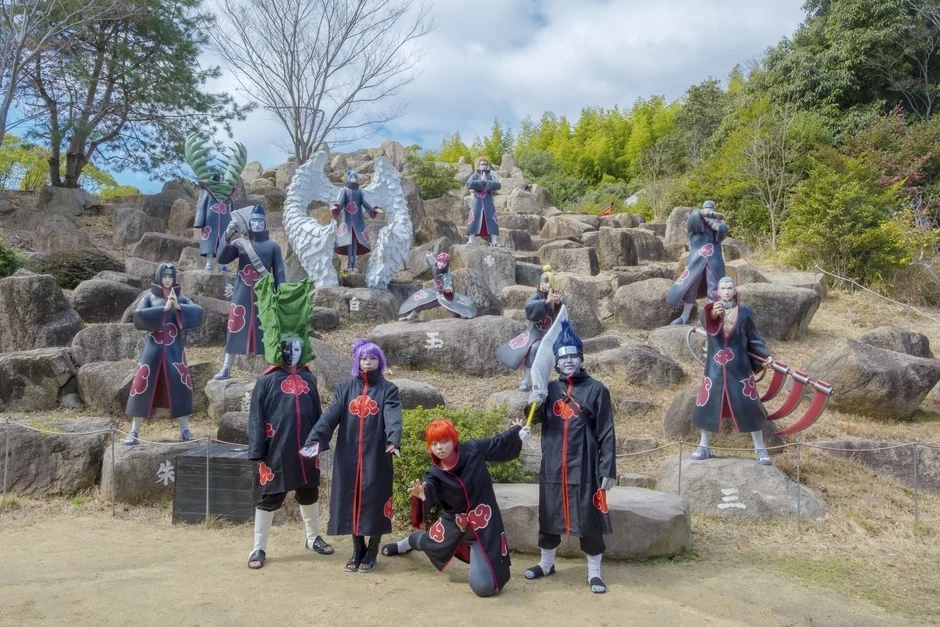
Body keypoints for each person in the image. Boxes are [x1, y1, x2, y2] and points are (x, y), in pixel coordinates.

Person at [520, 320, 616, 594]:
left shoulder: (597, 390)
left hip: (584, 465)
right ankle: (546, 564)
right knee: (549, 514)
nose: (569, 362)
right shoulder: (549, 390)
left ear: (581, 359)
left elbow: (607, 432)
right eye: (564, 358)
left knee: (589, 517)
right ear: (556, 363)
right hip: (553, 464)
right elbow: (534, 418)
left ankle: (594, 573)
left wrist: (607, 469)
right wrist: (533, 398)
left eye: (574, 356)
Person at [381, 418, 524, 597]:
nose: (439, 447)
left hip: (483, 526)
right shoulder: (433, 474)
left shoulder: (473, 449)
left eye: (444, 441)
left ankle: (479, 557)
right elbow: (428, 487)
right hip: (452, 526)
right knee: (426, 542)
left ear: (454, 440)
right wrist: (421, 496)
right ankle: (408, 542)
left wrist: (515, 431)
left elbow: (499, 442)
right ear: (429, 447)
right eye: (434, 443)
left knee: (484, 588)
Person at [301, 340, 402, 573]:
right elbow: (329, 417)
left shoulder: (389, 389)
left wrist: (393, 439)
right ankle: (357, 549)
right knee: (351, 500)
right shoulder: (345, 389)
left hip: (376, 456)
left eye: (373, 358)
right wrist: (314, 441)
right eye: (364, 358)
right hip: (348, 456)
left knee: (375, 501)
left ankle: (373, 550)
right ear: (358, 361)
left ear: (380, 361)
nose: (368, 362)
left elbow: (392, 415)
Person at [246, 330, 332, 569]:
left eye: (295, 349)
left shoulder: (309, 378)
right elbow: (256, 417)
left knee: (309, 492)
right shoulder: (266, 381)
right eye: (286, 348)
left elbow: (317, 413)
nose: (290, 354)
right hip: (275, 449)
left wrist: (319, 441)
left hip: (306, 447)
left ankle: (313, 537)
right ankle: (258, 547)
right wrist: (257, 449)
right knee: (270, 497)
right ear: (277, 350)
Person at [690, 276, 776, 465]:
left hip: (740, 366)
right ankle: (703, 446)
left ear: (735, 290)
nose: (727, 291)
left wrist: (766, 355)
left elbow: (753, 337)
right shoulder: (710, 309)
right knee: (708, 405)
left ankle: (760, 449)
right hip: (715, 368)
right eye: (723, 288)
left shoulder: (744, 311)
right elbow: (707, 321)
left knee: (751, 406)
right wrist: (714, 314)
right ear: (718, 291)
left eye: (730, 288)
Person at [124, 263, 204, 445]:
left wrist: (179, 307)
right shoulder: (149, 297)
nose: (168, 280)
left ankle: (185, 430)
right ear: (159, 277)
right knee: (141, 386)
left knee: (180, 385)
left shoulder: (180, 297)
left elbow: (198, 312)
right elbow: (138, 316)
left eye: (170, 277)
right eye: (165, 277)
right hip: (152, 349)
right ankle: (134, 431)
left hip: (174, 350)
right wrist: (164, 310)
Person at [214, 205, 285, 380]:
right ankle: (226, 367)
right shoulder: (240, 243)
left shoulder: (273, 246)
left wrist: (280, 293)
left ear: (265, 223)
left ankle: (272, 366)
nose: (257, 224)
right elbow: (222, 257)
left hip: (265, 293)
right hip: (242, 291)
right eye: (254, 221)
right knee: (235, 326)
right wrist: (229, 233)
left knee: (267, 328)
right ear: (249, 222)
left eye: (260, 221)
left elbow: (279, 272)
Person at [496, 265, 564, 391]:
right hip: (536, 334)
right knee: (534, 348)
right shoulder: (536, 297)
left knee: (562, 350)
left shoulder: (556, 297)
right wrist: (545, 302)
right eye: (544, 282)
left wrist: (558, 303)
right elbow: (529, 308)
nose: (546, 285)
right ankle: (526, 379)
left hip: (553, 334)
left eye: (549, 282)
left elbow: (561, 314)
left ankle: (565, 378)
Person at [666, 200, 728, 325]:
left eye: (711, 210)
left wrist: (716, 224)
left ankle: (712, 319)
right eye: (707, 210)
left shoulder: (717, 223)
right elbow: (692, 219)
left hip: (714, 260)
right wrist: (702, 214)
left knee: (714, 289)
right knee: (690, 287)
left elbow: (722, 230)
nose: (709, 213)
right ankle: (685, 316)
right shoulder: (695, 220)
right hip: (696, 259)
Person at [397, 252, 477, 321]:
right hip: (435, 293)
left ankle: (463, 315)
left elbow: (448, 281)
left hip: (444, 296)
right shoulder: (435, 266)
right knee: (420, 303)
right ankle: (409, 317)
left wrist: (448, 288)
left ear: (447, 264)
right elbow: (431, 261)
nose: (441, 264)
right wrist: (429, 256)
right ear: (437, 261)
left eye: (444, 263)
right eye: (440, 261)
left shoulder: (446, 274)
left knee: (452, 308)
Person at [331, 170, 383, 272]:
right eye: (352, 177)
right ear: (349, 178)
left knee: (355, 242)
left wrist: (373, 208)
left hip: (358, 222)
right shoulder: (344, 190)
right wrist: (336, 206)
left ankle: (354, 263)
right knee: (349, 242)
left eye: (355, 177)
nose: (353, 179)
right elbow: (340, 201)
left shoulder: (360, 191)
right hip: (347, 221)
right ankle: (350, 264)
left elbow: (366, 202)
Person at [194, 173, 235, 272]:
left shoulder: (228, 196)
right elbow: (202, 206)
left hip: (225, 223)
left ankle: (222, 265)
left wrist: (235, 224)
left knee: (224, 244)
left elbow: (232, 209)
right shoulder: (208, 193)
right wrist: (199, 221)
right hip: (210, 222)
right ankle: (209, 264)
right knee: (209, 243)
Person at [466, 157, 501, 247]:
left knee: (491, 219)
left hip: (488, 200)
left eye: (485, 164)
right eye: (482, 164)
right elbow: (469, 183)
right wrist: (481, 182)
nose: (484, 166)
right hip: (477, 201)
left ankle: (495, 242)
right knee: (474, 219)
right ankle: (470, 241)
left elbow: (498, 185)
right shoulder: (475, 175)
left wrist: (487, 182)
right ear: (479, 165)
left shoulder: (491, 176)